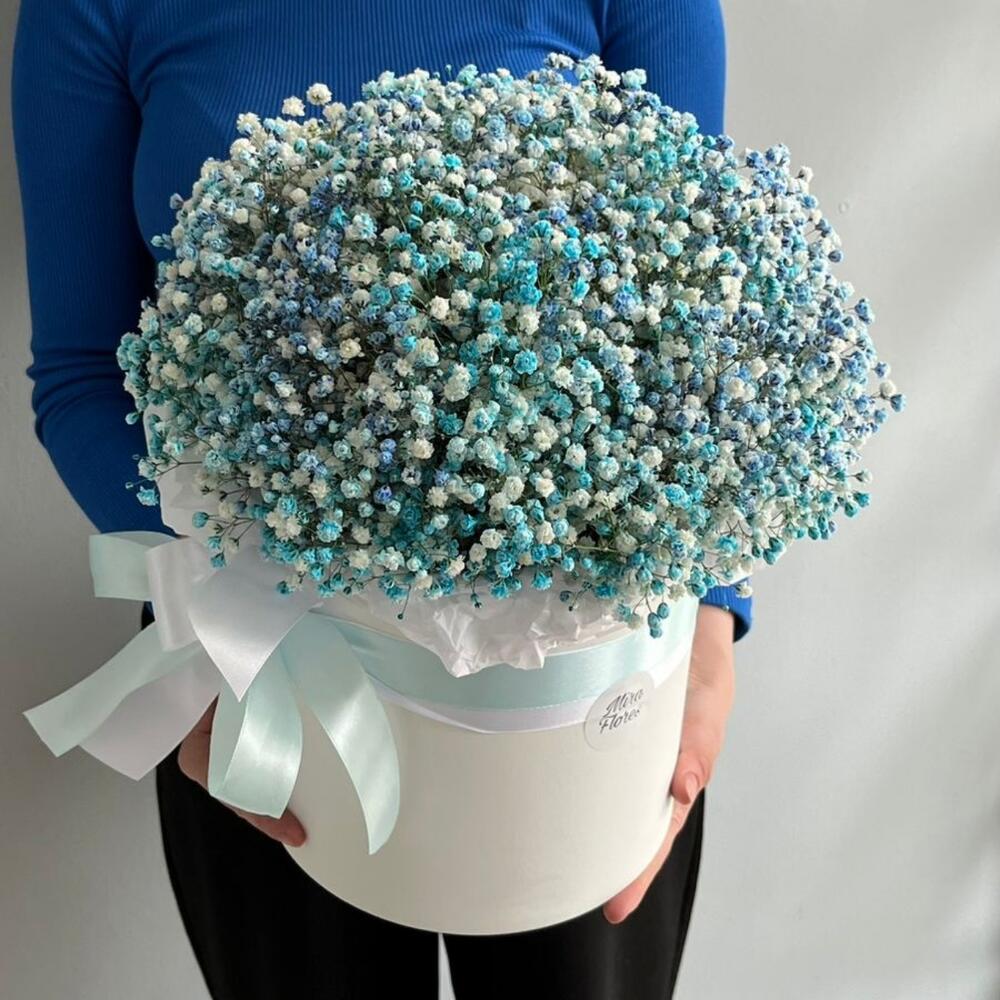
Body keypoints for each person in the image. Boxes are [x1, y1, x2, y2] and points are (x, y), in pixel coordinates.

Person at [11, 1, 752, 996]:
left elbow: (698, 332)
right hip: (263, 665)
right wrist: (219, 604)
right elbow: (82, 376)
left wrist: (712, 625)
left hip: (579, 667)